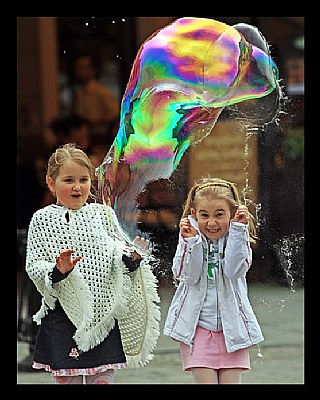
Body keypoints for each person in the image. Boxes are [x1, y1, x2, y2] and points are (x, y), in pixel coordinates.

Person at [25, 143, 160, 384]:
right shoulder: (41, 220)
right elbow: (34, 265)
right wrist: (58, 271)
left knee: (102, 380)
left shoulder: (102, 214)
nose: (77, 187)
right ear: (50, 183)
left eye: (83, 180)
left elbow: (117, 256)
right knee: (70, 380)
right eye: (68, 180)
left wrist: (132, 258)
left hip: (102, 317)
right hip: (62, 317)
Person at [163, 177, 264, 384]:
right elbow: (187, 276)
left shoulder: (237, 235)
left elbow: (234, 271)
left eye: (219, 215)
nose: (211, 223)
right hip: (198, 329)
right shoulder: (188, 237)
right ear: (194, 215)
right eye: (204, 215)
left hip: (231, 329)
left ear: (233, 213)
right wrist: (191, 242)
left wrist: (238, 231)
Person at [72, 54, 120, 152]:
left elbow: (115, 115)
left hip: (100, 139)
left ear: (92, 70)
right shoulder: (79, 93)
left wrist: (96, 120)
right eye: (78, 67)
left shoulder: (102, 93)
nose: (79, 71)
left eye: (83, 67)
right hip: (82, 139)